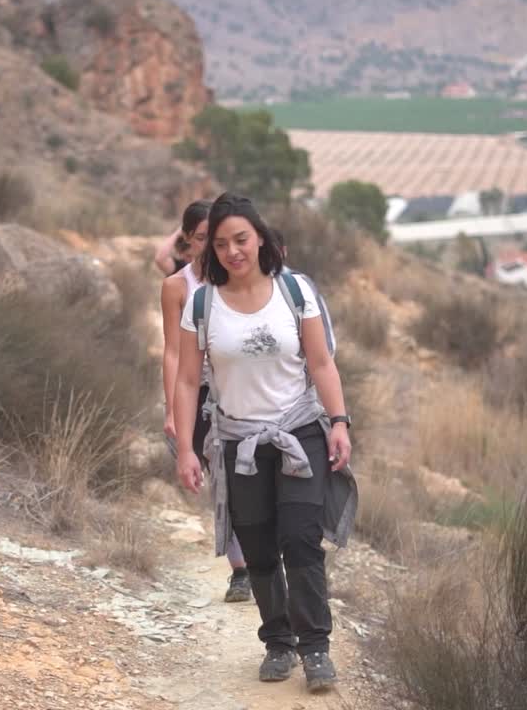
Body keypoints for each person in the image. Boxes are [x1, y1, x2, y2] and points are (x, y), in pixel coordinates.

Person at [172, 192, 358, 694]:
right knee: (256, 548)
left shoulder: (294, 291)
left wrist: (338, 422)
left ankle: (315, 647)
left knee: (300, 539)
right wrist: (188, 449)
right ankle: (278, 642)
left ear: (260, 239)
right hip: (238, 441)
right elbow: (190, 381)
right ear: (210, 249)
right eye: (223, 243)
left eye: (242, 239)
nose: (234, 251)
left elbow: (321, 363)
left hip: (299, 432)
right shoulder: (202, 303)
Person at [160, 199, 252, 603]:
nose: (209, 246)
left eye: (212, 238)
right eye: (202, 238)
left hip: (239, 390)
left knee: (251, 478)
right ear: (189, 241)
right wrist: (171, 410)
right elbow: (172, 353)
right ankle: (241, 570)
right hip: (198, 393)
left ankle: (271, 556)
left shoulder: (234, 279)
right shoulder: (177, 287)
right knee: (222, 483)